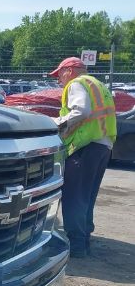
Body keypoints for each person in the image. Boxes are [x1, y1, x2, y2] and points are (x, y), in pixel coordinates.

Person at [49, 57, 117, 258]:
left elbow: (81, 111)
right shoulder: (98, 84)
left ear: (69, 70)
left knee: (74, 197)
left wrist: (58, 122)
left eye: (59, 74)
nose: (59, 79)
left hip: (84, 146)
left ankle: (76, 246)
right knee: (87, 196)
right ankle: (84, 239)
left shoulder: (77, 84)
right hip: (103, 146)